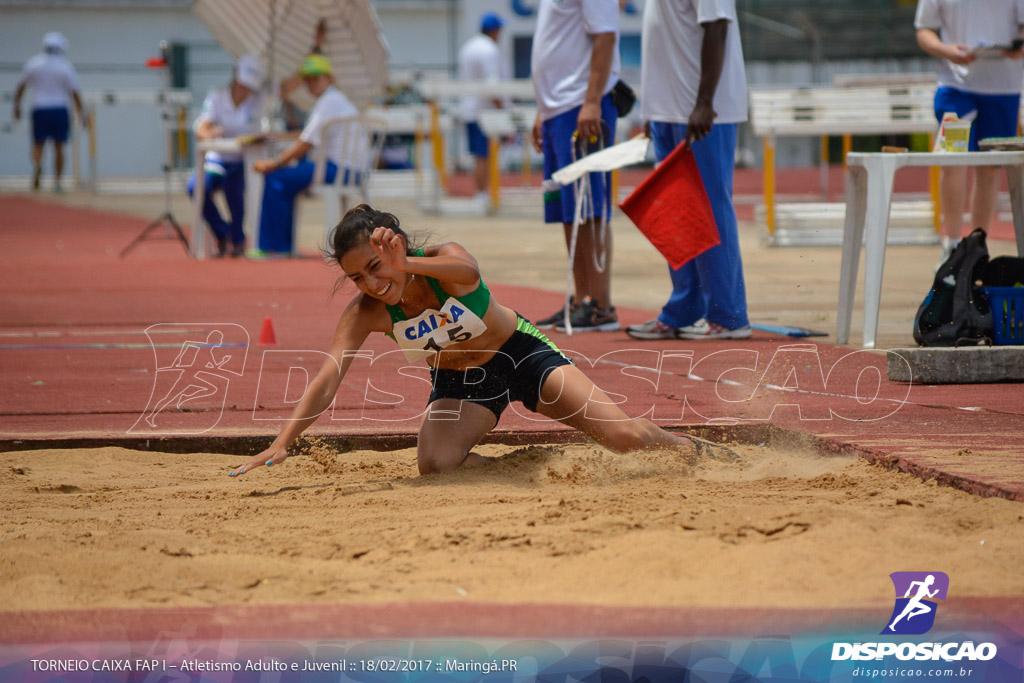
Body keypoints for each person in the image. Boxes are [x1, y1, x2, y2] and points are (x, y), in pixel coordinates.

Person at [228, 204, 729, 477]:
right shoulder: (367, 312)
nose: (372, 284)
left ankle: (700, 451)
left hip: (522, 354)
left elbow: (469, 270)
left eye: (376, 267)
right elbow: (327, 377)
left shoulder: (441, 260)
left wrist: (410, 265)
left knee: (623, 438)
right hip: (462, 382)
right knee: (435, 464)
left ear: (395, 247)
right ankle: (530, 467)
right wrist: (282, 442)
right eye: (358, 277)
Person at [625, 0, 752, 341]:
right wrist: (653, 106)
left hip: (704, 112)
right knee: (677, 213)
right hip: (668, 109)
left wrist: (705, 102)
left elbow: (717, 27)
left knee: (709, 209)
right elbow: (665, 36)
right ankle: (684, 308)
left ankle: (728, 315)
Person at [530, 0, 621, 332]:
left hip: (579, 105)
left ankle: (601, 305)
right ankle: (583, 299)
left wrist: (593, 100)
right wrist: (543, 108)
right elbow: (555, 42)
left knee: (589, 206)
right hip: (558, 108)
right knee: (567, 210)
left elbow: (605, 35)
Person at [914, 0, 1024, 266]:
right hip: (955, 85)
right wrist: (945, 49)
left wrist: (1018, 46)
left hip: (1003, 87)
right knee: (953, 157)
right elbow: (923, 30)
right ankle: (951, 244)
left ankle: (977, 246)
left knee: (989, 168)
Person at [252, 53, 358, 255]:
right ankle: (282, 246)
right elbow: (308, 135)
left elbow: (306, 142)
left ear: (330, 78)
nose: (311, 83)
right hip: (353, 170)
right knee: (286, 178)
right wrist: (277, 135)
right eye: (308, 79)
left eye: (316, 77)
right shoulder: (337, 100)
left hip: (336, 169)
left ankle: (274, 247)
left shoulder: (327, 102)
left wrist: (274, 162)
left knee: (276, 178)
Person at [188, 55, 267, 257]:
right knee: (196, 187)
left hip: (243, 160)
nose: (245, 89)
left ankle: (238, 238)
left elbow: (287, 86)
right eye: (242, 84)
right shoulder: (216, 97)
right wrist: (210, 134)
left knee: (235, 191)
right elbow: (201, 127)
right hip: (219, 158)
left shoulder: (259, 99)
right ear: (234, 76)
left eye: (249, 86)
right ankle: (223, 232)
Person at [12, 31, 86, 193]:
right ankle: (57, 181)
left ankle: (38, 165)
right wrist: (82, 114)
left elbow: (21, 86)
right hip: (59, 108)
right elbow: (75, 92)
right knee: (59, 146)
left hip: (39, 108)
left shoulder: (34, 64)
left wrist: (16, 106)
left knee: (38, 143)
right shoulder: (65, 66)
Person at [457, 12, 507, 210]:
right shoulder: (489, 50)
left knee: (479, 156)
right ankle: (482, 195)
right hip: (484, 111)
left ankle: (481, 193)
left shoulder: (468, 47)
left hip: (469, 108)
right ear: (494, 31)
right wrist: (502, 108)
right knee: (484, 156)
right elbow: (491, 84)